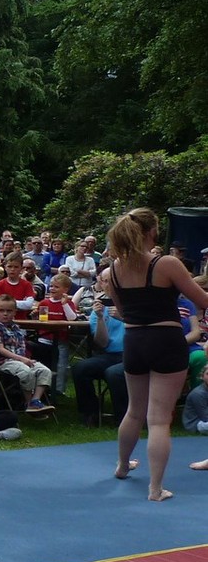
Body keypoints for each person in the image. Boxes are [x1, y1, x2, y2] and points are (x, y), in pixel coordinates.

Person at [98, 208, 208, 500]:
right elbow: (202, 300)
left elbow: (123, 312)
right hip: (166, 339)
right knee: (158, 419)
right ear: (152, 232)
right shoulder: (167, 263)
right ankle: (155, 488)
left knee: (134, 411)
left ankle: (122, 466)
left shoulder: (114, 270)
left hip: (135, 340)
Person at [74, 292, 128, 427]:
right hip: (111, 354)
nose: (107, 285)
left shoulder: (135, 305)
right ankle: (91, 413)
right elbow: (102, 343)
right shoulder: (98, 311)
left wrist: (123, 318)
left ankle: (123, 418)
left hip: (134, 353)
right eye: (103, 282)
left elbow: (145, 331)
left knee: (113, 373)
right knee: (80, 368)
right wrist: (99, 318)